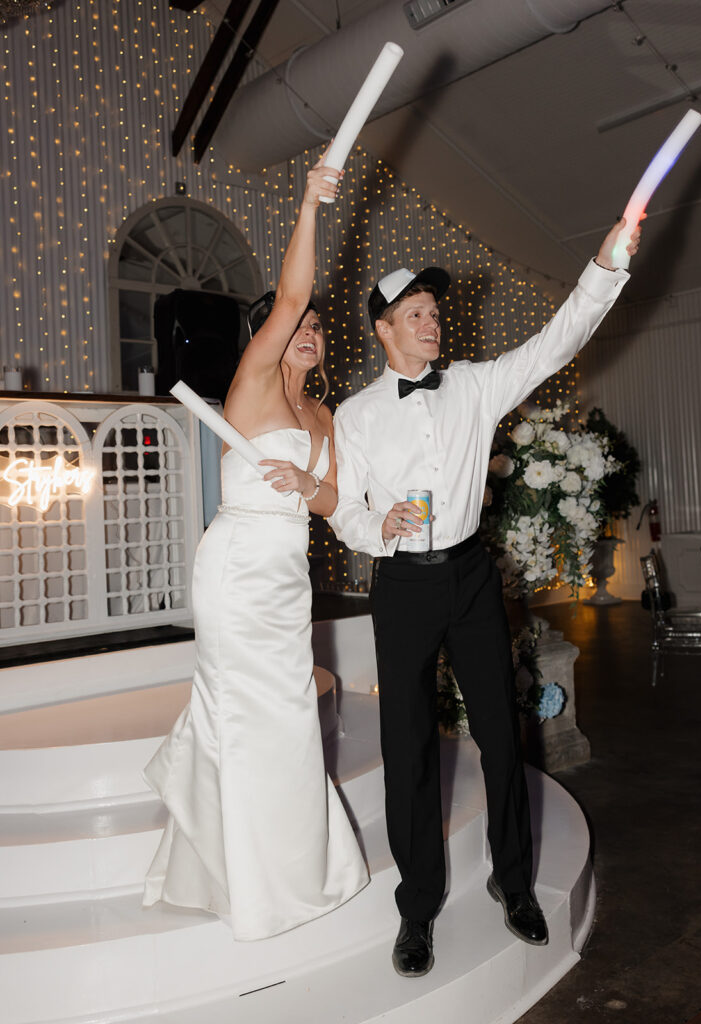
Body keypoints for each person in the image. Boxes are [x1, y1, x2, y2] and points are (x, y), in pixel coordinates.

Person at [327, 218, 641, 976]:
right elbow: (342, 510)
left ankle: (514, 880)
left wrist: (603, 265)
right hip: (402, 584)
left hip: (470, 577)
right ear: (384, 329)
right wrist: (380, 525)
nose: (433, 322)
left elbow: (554, 344)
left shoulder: (472, 384)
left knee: (502, 734)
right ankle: (418, 908)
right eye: (416, 314)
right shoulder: (357, 415)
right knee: (407, 751)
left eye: (436, 311)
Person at [143, 156, 369, 940]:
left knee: (289, 721)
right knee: (246, 716)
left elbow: (340, 508)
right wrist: (311, 201)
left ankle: (285, 866)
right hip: (237, 569)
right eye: (293, 325)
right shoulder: (253, 383)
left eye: (312, 328)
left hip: (288, 577)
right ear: (270, 337)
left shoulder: (325, 418)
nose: (307, 330)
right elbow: (297, 289)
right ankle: (254, 883)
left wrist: (311, 491)